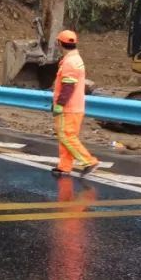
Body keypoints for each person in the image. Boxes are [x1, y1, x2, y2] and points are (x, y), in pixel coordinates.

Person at [51, 30, 99, 177]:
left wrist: (59, 104)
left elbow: (68, 86)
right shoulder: (75, 59)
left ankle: (89, 161)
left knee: (66, 136)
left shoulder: (70, 62)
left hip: (69, 107)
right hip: (76, 106)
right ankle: (65, 166)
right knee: (66, 136)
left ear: (59, 43)